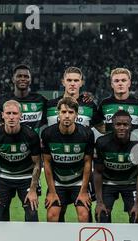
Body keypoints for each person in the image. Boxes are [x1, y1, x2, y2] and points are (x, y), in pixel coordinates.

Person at [46, 66, 104, 222]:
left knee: (85, 213)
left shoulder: (90, 105)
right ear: (63, 82)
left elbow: (103, 129)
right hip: (58, 167)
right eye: (69, 80)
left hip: (80, 167)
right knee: (57, 212)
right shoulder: (50, 105)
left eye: (76, 80)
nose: (72, 84)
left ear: (81, 83)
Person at [0, 100, 41, 221]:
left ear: (20, 115)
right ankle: (2, 240)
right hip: (3, 177)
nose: (11, 117)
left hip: (26, 177)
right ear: (3, 115)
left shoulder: (31, 136)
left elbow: (37, 163)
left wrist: (32, 190)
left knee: (32, 214)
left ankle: (32, 240)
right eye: (8, 113)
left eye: (15, 113)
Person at [41, 97, 94, 222]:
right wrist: (52, 192)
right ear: (58, 113)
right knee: (52, 216)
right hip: (58, 182)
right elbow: (47, 163)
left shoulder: (86, 134)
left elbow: (88, 163)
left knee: (84, 215)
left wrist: (84, 191)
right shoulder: (48, 134)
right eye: (63, 112)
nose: (67, 116)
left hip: (78, 182)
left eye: (70, 112)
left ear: (76, 114)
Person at [93, 110, 138, 223]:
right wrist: (99, 202)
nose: (122, 127)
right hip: (108, 183)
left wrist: (137, 204)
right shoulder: (102, 143)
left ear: (130, 126)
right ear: (112, 125)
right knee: (102, 216)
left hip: (130, 183)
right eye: (118, 124)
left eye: (125, 124)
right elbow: (97, 172)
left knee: (136, 217)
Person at [0, 64, 48, 134]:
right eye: (19, 76)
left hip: (33, 143)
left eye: (26, 77)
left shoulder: (40, 100)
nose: (22, 79)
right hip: (10, 142)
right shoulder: (2, 101)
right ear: (13, 79)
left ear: (30, 80)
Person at [96, 67, 138, 140]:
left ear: (129, 83)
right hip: (110, 149)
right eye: (116, 81)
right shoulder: (105, 104)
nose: (120, 83)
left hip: (132, 148)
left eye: (123, 80)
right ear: (112, 84)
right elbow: (98, 125)